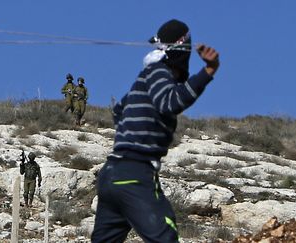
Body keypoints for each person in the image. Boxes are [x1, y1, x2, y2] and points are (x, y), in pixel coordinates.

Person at [91, 19, 220, 243]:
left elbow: (119, 110)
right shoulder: (159, 72)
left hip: (111, 175)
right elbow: (169, 102)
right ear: (183, 50)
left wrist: (135, 131)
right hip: (134, 176)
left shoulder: (145, 77)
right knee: (165, 237)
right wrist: (208, 71)